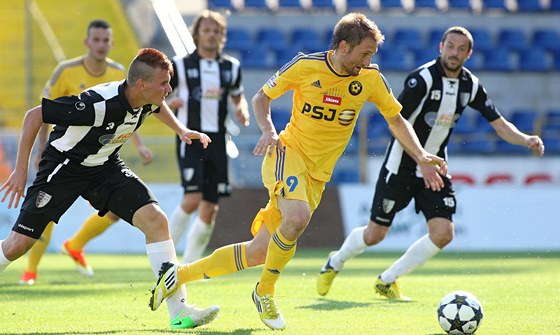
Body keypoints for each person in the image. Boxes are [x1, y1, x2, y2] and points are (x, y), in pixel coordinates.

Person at [147, 13, 447, 330]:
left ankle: (177, 275)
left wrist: (422, 155)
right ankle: (264, 291)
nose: (369, 60)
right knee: (297, 216)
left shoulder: (370, 80)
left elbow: (396, 120)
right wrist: (268, 131)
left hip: (317, 175)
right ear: (344, 46)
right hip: (286, 153)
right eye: (365, 53)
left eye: (372, 54)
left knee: (259, 251)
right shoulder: (306, 66)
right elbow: (261, 97)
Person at [316, 26, 545, 301]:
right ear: (441, 47)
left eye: (461, 49)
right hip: (401, 165)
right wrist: (420, 160)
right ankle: (336, 261)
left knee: (443, 233)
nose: (454, 53)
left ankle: (387, 280)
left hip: (434, 167)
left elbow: (499, 124)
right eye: (450, 46)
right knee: (375, 234)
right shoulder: (421, 80)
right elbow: (396, 124)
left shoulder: (470, 85)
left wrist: (525, 139)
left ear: (469, 53)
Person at [0, 48, 221, 329]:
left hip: (105, 166)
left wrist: (180, 130)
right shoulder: (98, 104)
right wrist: (21, 172)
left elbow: (156, 106)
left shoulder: (146, 97)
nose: (169, 89)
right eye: (164, 83)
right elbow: (34, 116)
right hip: (64, 167)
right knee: (18, 245)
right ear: (141, 84)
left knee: (156, 220)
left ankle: (180, 312)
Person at [19, 19, 153, 285]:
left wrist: (140, 146)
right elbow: (44, 111)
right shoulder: (66, 71)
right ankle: (31, 270)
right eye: (97, 40)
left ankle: (76, 244)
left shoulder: (119, 74)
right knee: (46, 210)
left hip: (101, 157)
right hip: (65, 157)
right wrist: (41, 150)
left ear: (111, 43)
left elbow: (129, 113)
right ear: (87, 42)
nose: (101, 45)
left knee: (119, 209)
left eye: (106, 40)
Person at [166, 10, 250, 264]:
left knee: (210, 207)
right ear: (197, 34)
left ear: (222, 36)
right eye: (207, 30)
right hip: (190, 139)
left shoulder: (231, 68)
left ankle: (188, 268)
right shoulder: (179, 65)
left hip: (217, 142)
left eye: (217, 31)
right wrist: (172, 101)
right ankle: (164, 258)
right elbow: (160, 98)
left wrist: (241, 110)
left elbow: (238, 97)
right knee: (192, 198)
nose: (211, 35)